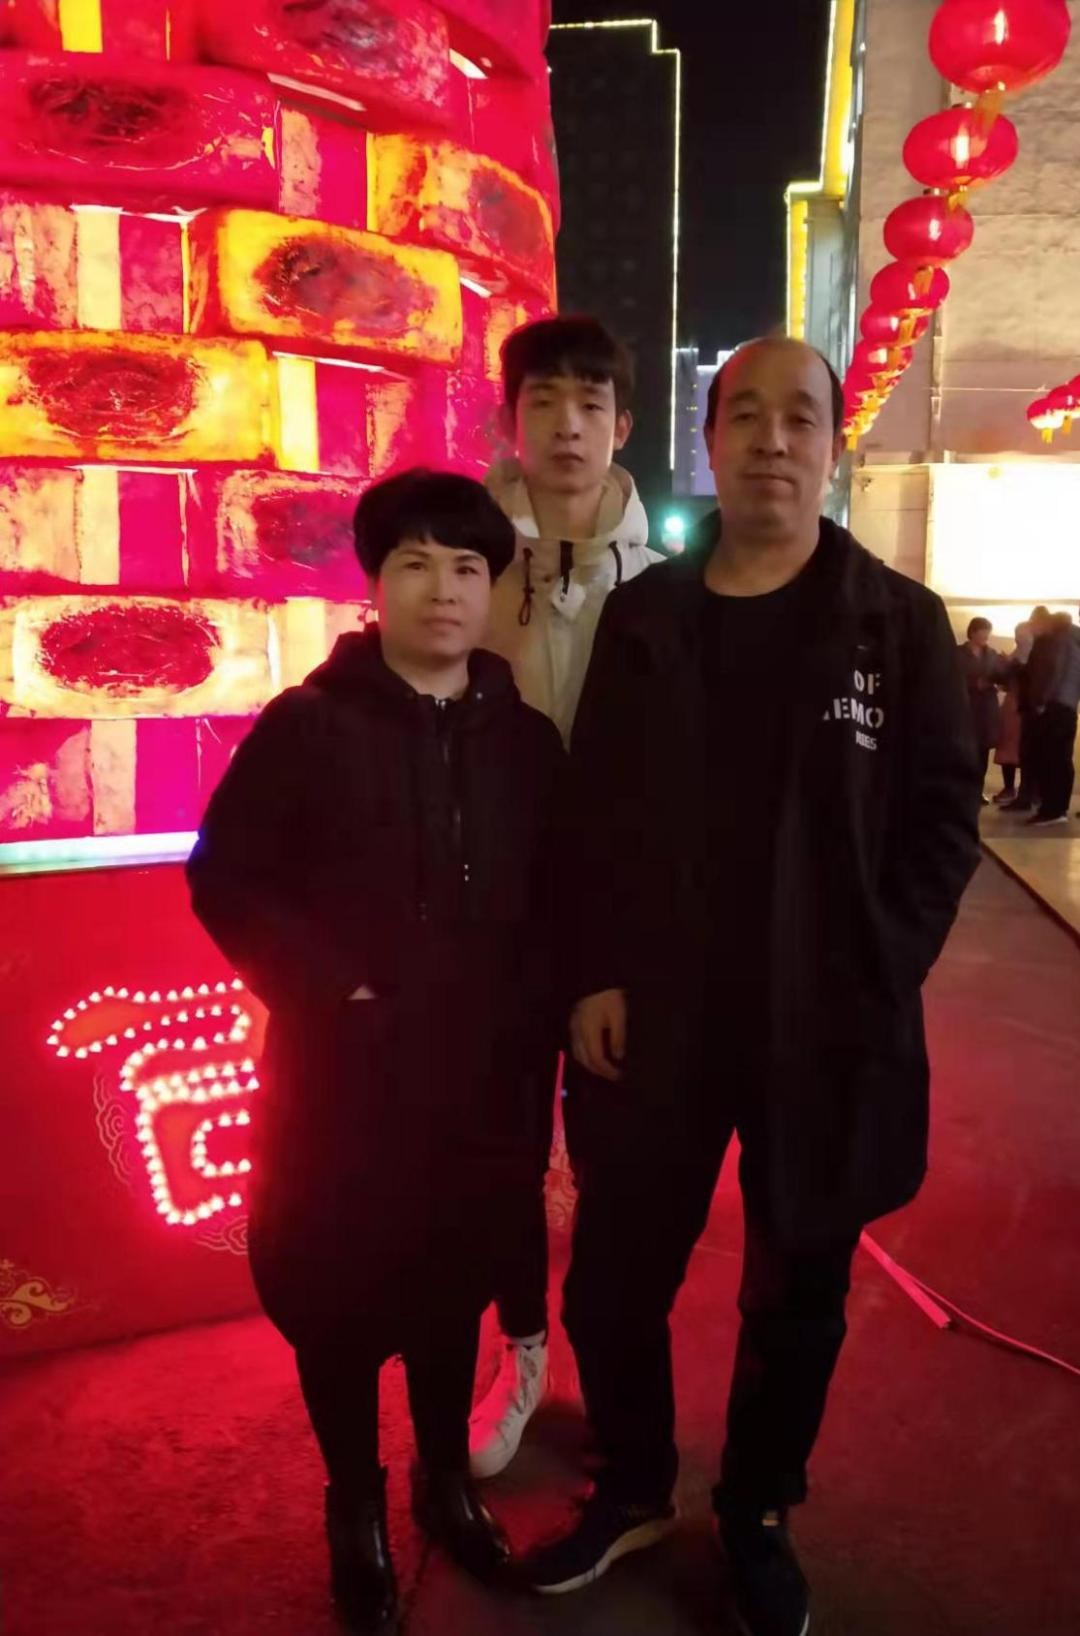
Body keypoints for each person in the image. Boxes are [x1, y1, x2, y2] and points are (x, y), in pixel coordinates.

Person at [526, 338, 981, 1636]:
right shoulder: (650, 617)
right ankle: (635, 1483)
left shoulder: (899, 623)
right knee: (614, 1278)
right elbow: (594, 812)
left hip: (824, 1028)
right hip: (659, 1018)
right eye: (745, 417)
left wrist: (874, 973)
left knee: (798, 1292)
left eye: (800, 418)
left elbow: (943, 825)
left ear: (832, 445)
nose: (772, 440)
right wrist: (593, 973)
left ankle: (757, 1509)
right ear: (709, 441)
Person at [187, 469, 564, 1634]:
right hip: (343, 1086)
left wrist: (539, 1014)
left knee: (453, 1289)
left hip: (482, 1084)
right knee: (337, 1298)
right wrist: (331, 986)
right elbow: (225, 878)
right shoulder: (307, 726)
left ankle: (445, 1477)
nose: (443, 589)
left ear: (491, 590)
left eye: (466, 567)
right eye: (416, 564)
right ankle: (354, 1501)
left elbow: (562, 898)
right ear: (377, 583)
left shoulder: (528, 742)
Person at [467, 315, 661, 1481]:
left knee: (617, 1165)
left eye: (592, 402)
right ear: (512, 421)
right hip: (489, 923)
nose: (569, 425)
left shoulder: (672, 587)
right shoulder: (469, 563)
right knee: (496, 1157)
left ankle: (613, 1360)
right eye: (544, 400)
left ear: (623, 424)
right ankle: (521, 1353)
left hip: (616, 929)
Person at [1026, 609, 1080, 826]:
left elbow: (1053, 671)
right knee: (1062, 759)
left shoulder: (1058, 640)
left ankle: (1051, 809)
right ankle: (1059, 809)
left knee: (1050, 758)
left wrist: (1041, 701)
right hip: (1069, 705)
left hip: (1055, 705)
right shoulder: (1075, 639)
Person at [1003, 605, 1052, 813]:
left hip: (1033, 704)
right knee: (1034, 751)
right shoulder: (1047, 647)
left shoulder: (1038, 649)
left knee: (1030, 751)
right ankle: (1034, 794)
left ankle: (1028, 795)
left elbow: (1028, 674)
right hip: (1038, 704)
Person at [956, 617, 1009, 803]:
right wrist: (974, 684)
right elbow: (951, 678)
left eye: (988, 631)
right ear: (973, 632)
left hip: (986, 709)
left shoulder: (992, 654)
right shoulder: (957, 653)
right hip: (966, 707)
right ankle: (963, 790)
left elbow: (1002, 677)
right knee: (964, 751)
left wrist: (1007, 667)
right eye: (983, 631)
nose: (986, 635)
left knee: (982, 752)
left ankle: (977, 790)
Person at [993, 622, 1031, 803]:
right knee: (1009, 747)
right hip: (1013, 706)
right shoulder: (1017, 654)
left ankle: (1022, 789)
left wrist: (1011, 665)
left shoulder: (1031, 655)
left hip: (1023, 705)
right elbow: (1004, 682)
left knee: (1023, 747)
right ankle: (1011, 788)